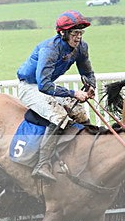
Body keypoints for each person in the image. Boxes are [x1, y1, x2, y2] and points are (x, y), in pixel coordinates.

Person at [16, 10, 96, 182]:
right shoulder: (50, 49)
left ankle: (89, 147)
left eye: (80, 33)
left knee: (79, 112)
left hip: (46, 85)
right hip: (30, 87)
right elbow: (43, 85)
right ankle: (42, 164)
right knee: (59, 116)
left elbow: (87, 72)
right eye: (75, 33)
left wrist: (91, 86)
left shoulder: (81, 47)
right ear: (63, 33)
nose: (78, 37)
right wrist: (74, 93)